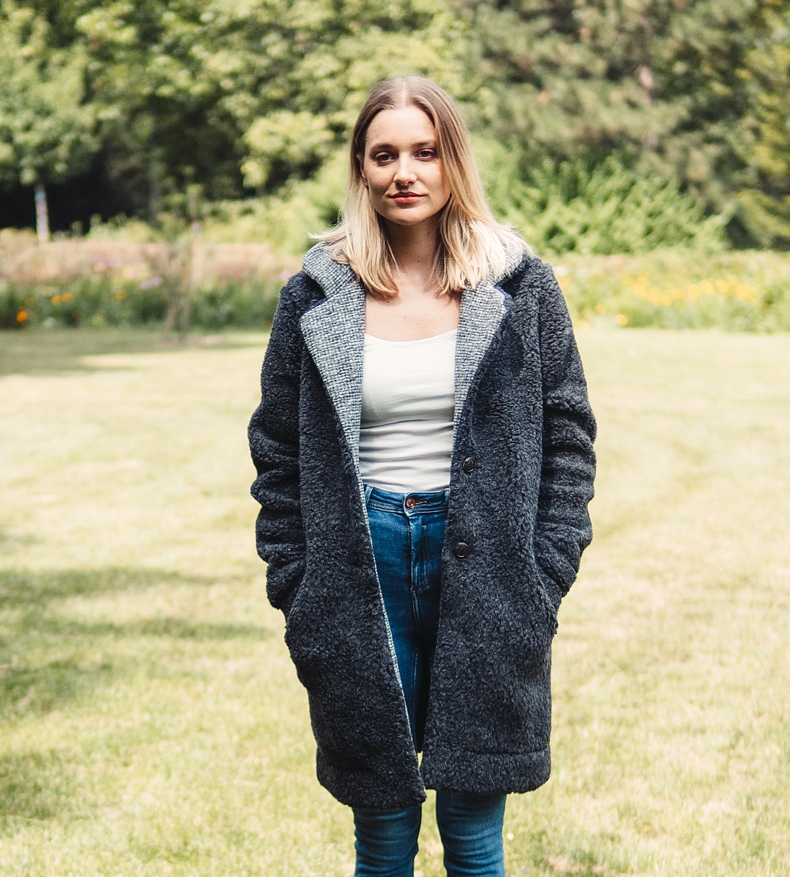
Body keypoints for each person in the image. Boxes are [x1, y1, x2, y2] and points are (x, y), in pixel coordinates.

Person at [248, 76, 596, 877]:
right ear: (361, 171)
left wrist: (546, 568)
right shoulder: (316, 293)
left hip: (489, 567)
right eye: (384, 155)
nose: (404, 172)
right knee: (384, 836)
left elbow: (569, 431)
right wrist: (296, 579)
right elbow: (276, 446)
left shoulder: (518, 285)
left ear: (452, 163)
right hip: (356, 567)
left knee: (475, 840)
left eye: (424, 152)